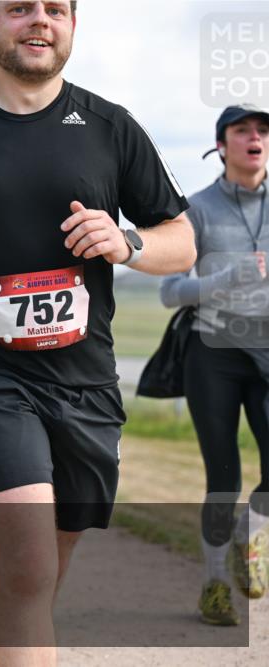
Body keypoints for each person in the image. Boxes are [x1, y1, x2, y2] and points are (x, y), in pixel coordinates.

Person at [0, 3, 197, 665]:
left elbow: (182, 240)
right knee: (27, 563)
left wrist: (127, 240)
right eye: (21, 7)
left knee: (47, 565)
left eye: (56, 9)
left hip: (84, 382)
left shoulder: (112, 128)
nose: (39, 20)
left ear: (73, 27)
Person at [160, 104, 269, 625]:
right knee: (223, 477)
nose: (255, 137)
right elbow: (170, 291)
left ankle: (251, 537)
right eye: (242, 130)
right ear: (221, 145)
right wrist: (223, 279)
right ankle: (215, 586)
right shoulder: (196, 209)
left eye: (263, 130)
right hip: (215, 352)